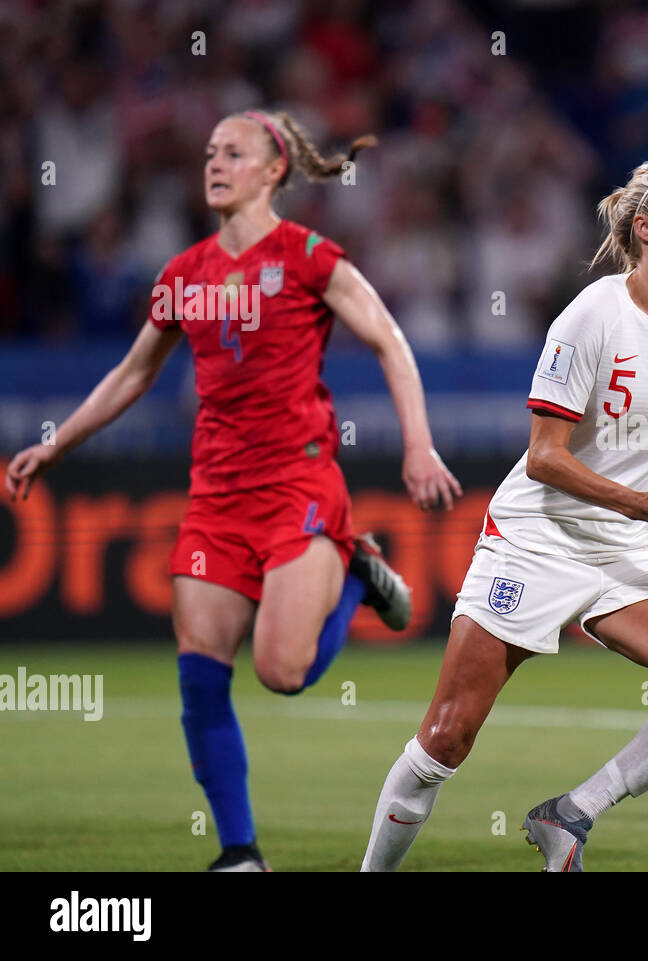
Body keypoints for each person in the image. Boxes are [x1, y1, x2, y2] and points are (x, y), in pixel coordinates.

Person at [4, 110, 461, 871]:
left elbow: (389, 337)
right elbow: (133, 372)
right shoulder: (184, 272)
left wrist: (418, 444)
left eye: (233, 152)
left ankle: (353, 572)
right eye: (209, 151)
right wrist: (57, 443)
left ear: (274, 169)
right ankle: (240, 851)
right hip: (217, 494)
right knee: (200, 667)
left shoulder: (308, 255)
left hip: (297, 483)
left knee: (282, 672)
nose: (214, 163)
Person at [359, 162, 648, 873]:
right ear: (645, 228)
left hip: (623, 540)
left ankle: (571, 814)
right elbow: (545, 456)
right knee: (447, 736)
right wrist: (644, 507)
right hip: (538, 537)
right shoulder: (591, 315)